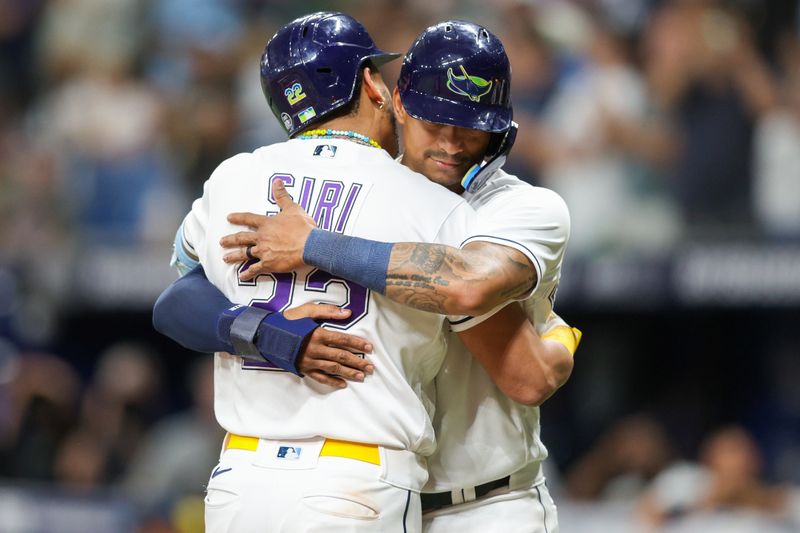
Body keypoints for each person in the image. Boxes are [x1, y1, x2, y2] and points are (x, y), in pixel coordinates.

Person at [155, 12, 566, 533]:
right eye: (434, 124)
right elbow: (520, 356)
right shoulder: (428, 207)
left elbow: (176, 299)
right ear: (380, 89)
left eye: (469, 129)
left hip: (253, 480)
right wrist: (274, 335)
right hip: (362, 482)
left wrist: (296, 273)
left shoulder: (238, 176)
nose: (450, 144)